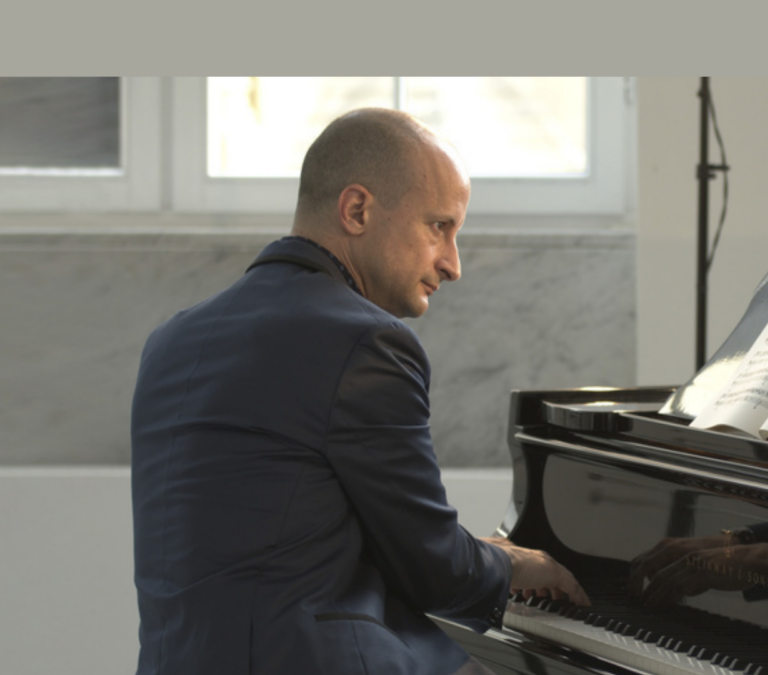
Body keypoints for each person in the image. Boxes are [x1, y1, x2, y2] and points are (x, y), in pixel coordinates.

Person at [130, 108, 589, 675]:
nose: (453, 264)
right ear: (356, 210)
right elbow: (435, 572)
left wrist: (487, 550)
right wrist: (520, 566)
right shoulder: (365, 341)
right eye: (439, 227)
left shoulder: (173, 338)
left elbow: (291, 535)